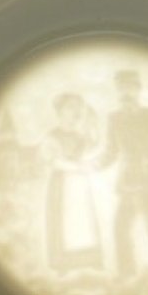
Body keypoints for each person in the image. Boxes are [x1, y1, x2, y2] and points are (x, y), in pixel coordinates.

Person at [95, 70, 148, 277]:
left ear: (138, 90)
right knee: (121, 227)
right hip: (126, 180)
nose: (126, 92)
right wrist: (95, 164)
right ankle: (126, 272)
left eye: (130, 87)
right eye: (121, 88)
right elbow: (111, 151)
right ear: (117, 92)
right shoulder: (113, 118)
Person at [43, 92, 102, 274]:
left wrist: (93, 127)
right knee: (65, 223)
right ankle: (63, 263)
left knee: (84, 222)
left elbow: (93, 148)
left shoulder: (80, 136)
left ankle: (91, 259)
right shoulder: (52, 136)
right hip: (62, 184)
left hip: (80, 185)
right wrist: (78, 167)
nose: (75, 112)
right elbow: (53, 161)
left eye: (77, 108)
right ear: (60, 111)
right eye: (70, 107)